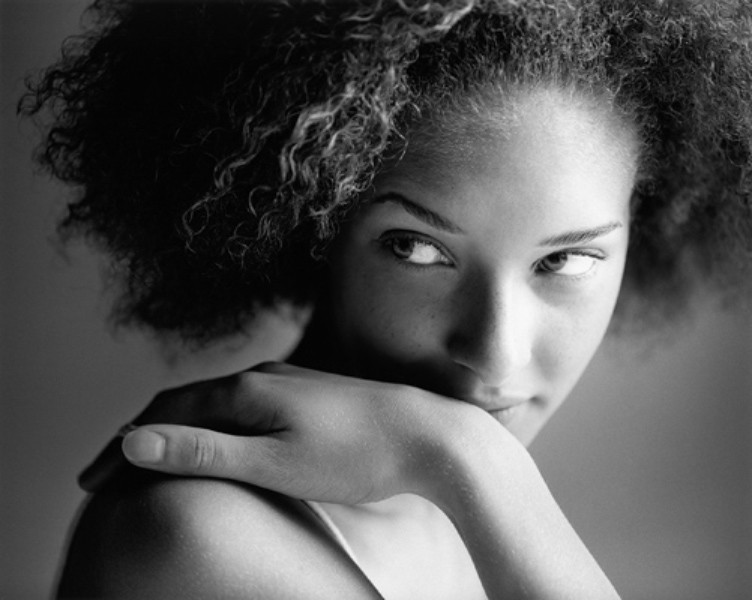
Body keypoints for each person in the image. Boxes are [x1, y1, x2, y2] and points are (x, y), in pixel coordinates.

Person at [21, 0, 752, 598]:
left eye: (566, 260)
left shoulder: (449, 496)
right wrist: (473, 463)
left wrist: (469, 467)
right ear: (308, 220)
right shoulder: (200, 536)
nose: (495, 354)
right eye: (417, 249)